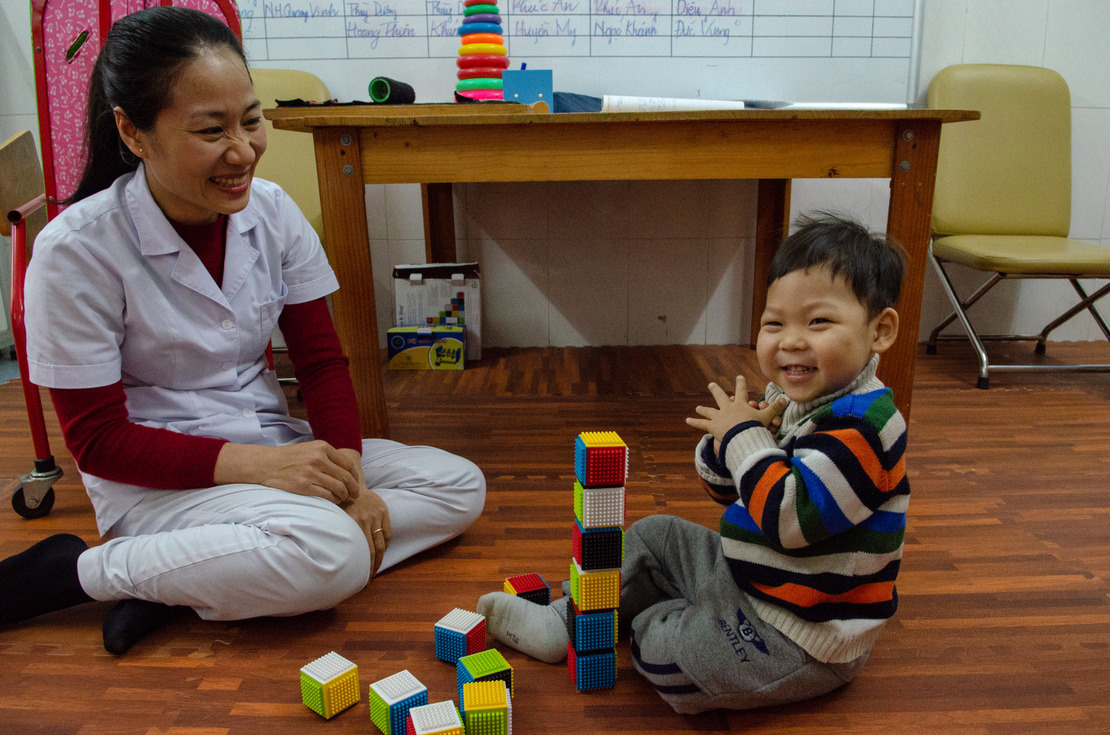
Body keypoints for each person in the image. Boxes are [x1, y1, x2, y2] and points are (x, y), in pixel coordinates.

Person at [0, 6, 484, 655]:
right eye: (211, 130)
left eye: (251, 121)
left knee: (459, 486)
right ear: (133, 132)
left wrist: (351, 479)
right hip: (159, 483)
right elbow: (98, 441)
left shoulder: (272, 212)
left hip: (269, 441)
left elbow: (320, 362)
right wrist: (269, 469)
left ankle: (184, 578)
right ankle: (84, 572)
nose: (243, 151)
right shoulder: (76, 251)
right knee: (331, 552)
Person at [477, 213, 909, 713]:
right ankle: (564, 621)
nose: (790, 340)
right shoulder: (793, 400)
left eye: (818, 322)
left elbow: (790, 520)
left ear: (880, 331)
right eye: (774, 323)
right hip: (749, 577)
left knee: (664, 651)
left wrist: (745, 439)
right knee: (655, 533)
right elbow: (728, 490)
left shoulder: (866, 429)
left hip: (802, 635)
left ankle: (654, 619)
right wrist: (728, 444)